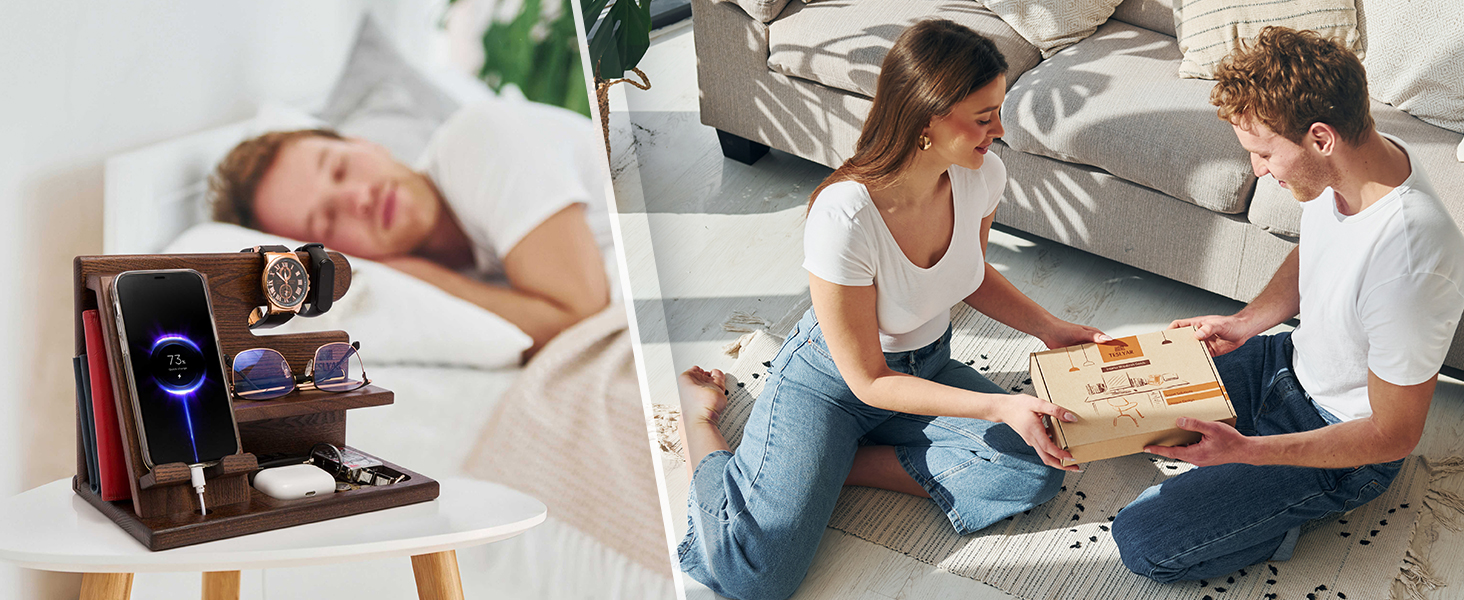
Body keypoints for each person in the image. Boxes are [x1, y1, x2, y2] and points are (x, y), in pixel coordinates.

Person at [674, 20, 1111, 600]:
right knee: (754, 576)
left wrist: (1051, 328)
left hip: (926, 367)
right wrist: (998, 405)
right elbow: (868, 379)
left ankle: (829, 471)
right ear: (927, 118)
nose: (999, 132)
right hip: (832, 381)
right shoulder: (845, 214)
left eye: (997, 112)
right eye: (984, 118)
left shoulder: (981, 176)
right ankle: (699, 425)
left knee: (1036, 465)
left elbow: (969, 275)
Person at [1112, 27, 1464, 582]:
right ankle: (1247, 477)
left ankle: (1278, 519)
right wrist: (1244, 323)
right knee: (1097, 404)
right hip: (1285, 364)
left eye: (1262, 152)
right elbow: (1315, 252)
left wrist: (1247, 453)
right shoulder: (1360, 168)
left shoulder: (1411, 262)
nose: (1257, 170)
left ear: (1320, 138)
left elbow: (1394, 435)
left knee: (1143, 540)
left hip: (1345, 443)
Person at [209, 99, 614, 360]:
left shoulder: (476, 139)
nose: (357, 198)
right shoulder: (449, 279)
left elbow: (578, 319)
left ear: (365, 143)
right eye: (328, 220)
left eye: (340, 168)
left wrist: (421, 277)